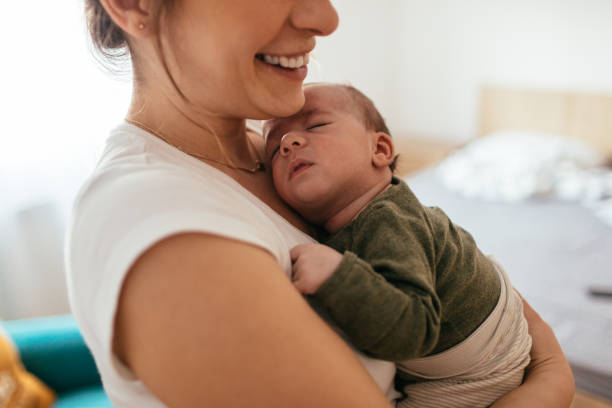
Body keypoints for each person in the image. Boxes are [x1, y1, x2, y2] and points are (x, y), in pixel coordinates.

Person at [65, 0, 575, 407]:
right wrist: (549, 384)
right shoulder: (161, 225)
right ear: (135, 4)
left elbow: (436, 251)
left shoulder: (269, 157)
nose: (326, 17)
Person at [263, 83, 532, 407]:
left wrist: (338, 275)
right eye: (274, 149)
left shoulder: (389, 218)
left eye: (316, 125)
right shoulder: (348, 222)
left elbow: (413, 329)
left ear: (380, 150)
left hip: (484, 369)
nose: (289, 143)